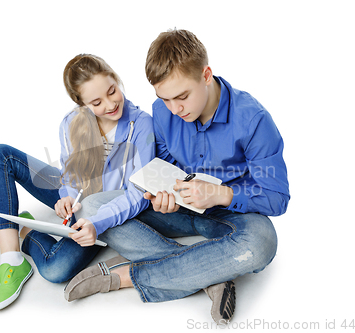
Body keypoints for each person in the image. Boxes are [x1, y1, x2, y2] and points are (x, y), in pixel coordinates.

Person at [64, 29, 290, 324]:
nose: (175, 109)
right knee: (94, 206)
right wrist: (161, 195)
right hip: (181, 210)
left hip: (231, 215)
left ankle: (125, 276)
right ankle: (211, 273)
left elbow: (277, 197)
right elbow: (165, 165)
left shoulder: (254, 120)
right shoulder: (163, 111)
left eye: (182, 96)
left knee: (262, 242)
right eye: (165, 98)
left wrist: (223, 195)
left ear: (206, 75)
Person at [0, 54, 155, 311]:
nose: (111, 103)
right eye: (96, 102)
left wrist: (95, 221)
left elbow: (138, 193)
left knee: (55, 269)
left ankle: (15, 226)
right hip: (78, 201)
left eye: (112, 91)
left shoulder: (142, 125)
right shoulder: (71, 123)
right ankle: (11, 258)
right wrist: (67, 196)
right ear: (80, 103)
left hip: (101, 215)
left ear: (116, 79)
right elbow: (68, 172)